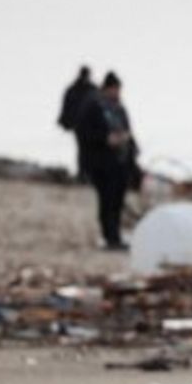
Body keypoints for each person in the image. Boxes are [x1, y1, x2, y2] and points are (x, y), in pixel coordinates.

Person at [76, 72, 139, 250]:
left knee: (118, 201)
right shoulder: (93, 106)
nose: (117, 93)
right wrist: (105, 138)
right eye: (115, 89)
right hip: (101, 163)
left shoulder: (119, 108)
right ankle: (109, 236)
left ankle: (116, 236)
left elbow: (129, 131)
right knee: (107, 200)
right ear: (107, 88)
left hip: (121, 162)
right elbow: (83, 133)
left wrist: (132, 150)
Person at [57, 65, 96, 183]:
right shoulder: (81, 89)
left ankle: (86, 174)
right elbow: (67, 106)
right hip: (80, 125)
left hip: (86, 125)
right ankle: (84, 174)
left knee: (87, 150)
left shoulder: (89, 89)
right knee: (84, 149)